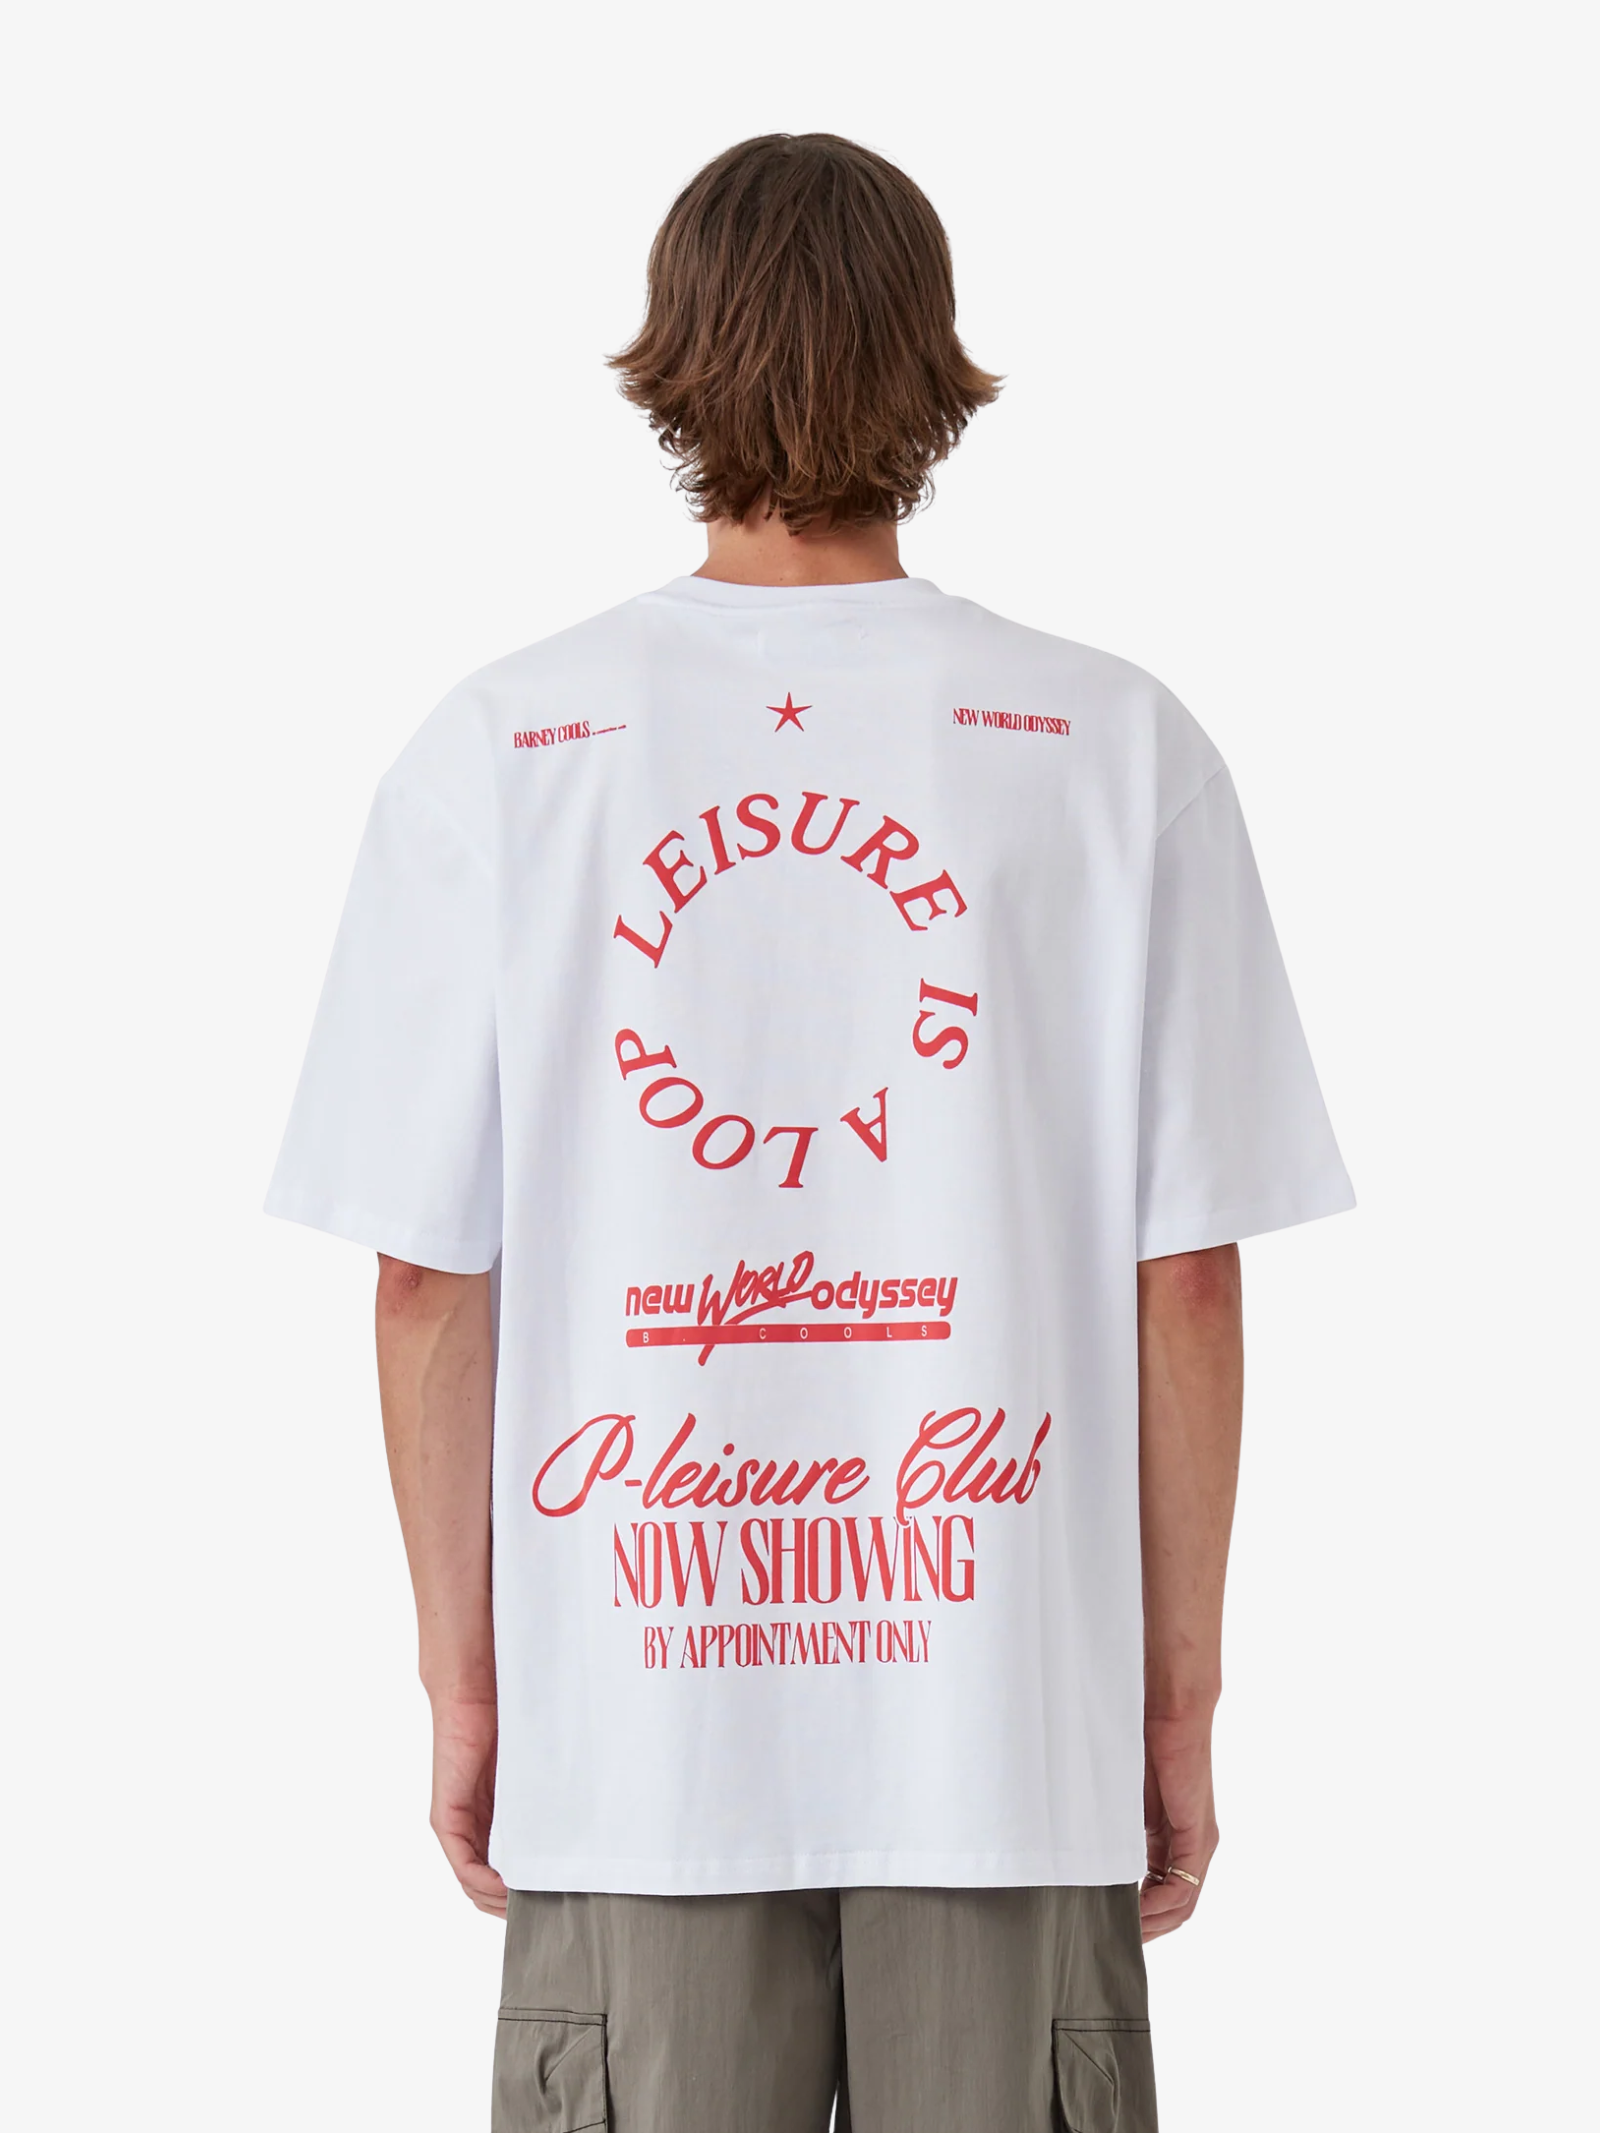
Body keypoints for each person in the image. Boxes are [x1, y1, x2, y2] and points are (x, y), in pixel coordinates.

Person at [267, 131, 1353, 2133]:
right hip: (1003, 1725)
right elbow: (1183, 1275)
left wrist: (468, 1683)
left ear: (668, 354)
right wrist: (1175, 1695)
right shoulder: (1112, 746)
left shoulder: (507, 747)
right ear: (932, 359)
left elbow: (427, 1279)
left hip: (639, 1730)